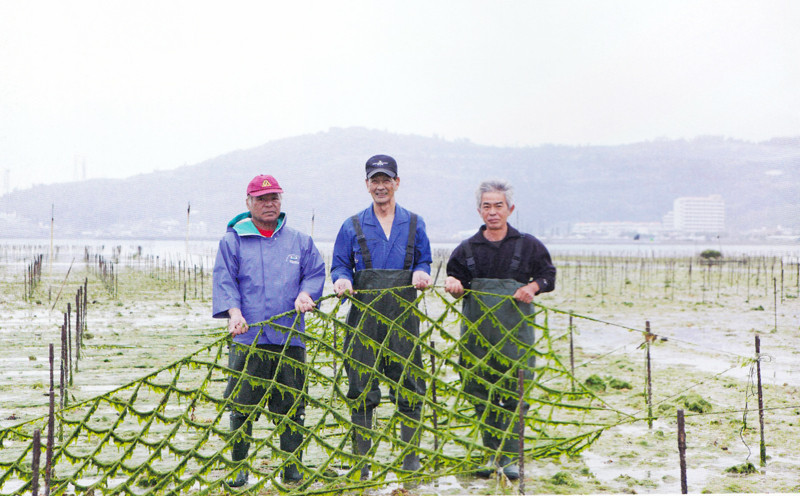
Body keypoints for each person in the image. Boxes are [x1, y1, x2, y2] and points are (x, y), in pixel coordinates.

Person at [213, 174, 326, 487]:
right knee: (241, 405)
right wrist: (234, 313)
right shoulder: (232, 241)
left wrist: (307, 294)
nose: (269, 204)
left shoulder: (299, 241)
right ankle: (239, 469)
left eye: (274, 198)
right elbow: (225, 281)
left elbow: (315, 273)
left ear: (281, 200)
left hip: (289, 338)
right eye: (262, 199)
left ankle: (292, 468)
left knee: (293, 406)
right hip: (247, 339)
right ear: (249, 202)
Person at [444, 179, 556, 481]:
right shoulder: (467, 248)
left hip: (515, 335)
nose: (493, 212)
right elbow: (456, 281)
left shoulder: (528, 245)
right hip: (476, 335)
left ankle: (509, 456)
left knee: (513, 390)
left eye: (498, 206)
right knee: (478, 388)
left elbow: (548, 276)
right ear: (479, 210)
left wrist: (533, 287)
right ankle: (489, 451)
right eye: (486, 206)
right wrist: (454, 286)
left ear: (510, 209)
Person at [331, 154, 433, 477]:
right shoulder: (352, 225)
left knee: (410, 385)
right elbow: (339, 265)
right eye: (374, 180)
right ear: (366, 185)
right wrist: (342, 279)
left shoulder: (415, 223)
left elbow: (424, 260)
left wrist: (421, 272)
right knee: (361, 387)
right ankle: (363, 463)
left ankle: (411, 460)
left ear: (397, 183)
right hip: (364, 320)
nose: (380, 186)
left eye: (386, 180)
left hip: (404, 318)